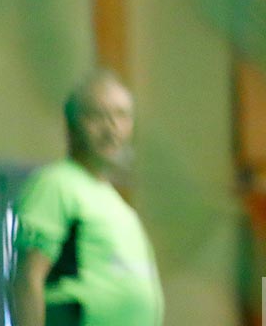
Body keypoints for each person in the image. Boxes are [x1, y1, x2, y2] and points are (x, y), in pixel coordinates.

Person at [11, 70, 163, 326]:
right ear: (71, 124)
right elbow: (27, 279)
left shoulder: (118, 205)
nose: (111, 127)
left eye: (121, 115)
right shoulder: (55, 184)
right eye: (97, 116)